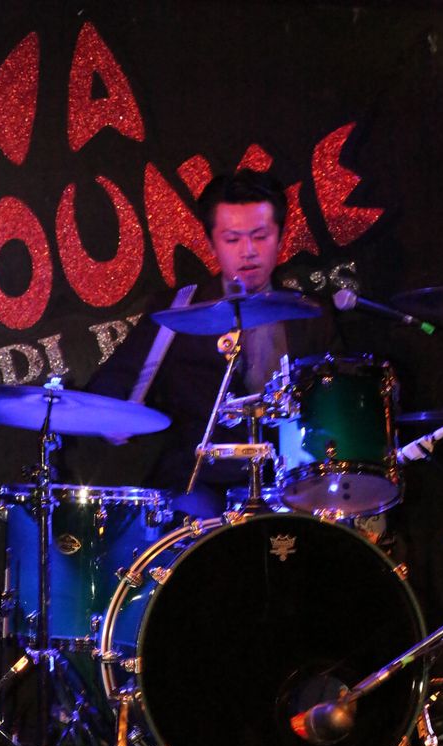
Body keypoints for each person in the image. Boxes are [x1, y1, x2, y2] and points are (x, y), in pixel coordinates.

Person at [87, 168, 339, 516]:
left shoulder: (311, 314)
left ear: (281, 237)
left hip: (289, 481)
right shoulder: (177, 310)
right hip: (199, 483)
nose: (248, 252)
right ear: (211, 244)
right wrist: (107, 414)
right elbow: (115, 380)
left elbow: (336, 400)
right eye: (232, 240)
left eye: (260, 236)